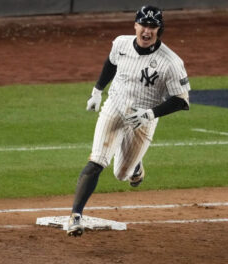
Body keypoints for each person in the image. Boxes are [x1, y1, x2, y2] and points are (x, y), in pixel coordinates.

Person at [67, 5, 191, 237]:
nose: (147, 31)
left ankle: (134, 168)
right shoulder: (121, 43)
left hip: (144, 119)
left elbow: (181, 100)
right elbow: (111, 63)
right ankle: (75, 216)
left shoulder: (171, 62)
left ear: (159, 30)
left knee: (122, 174)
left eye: (152, 27)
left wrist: (150, 114)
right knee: (97, 161)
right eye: (143, 25)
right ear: (135, 25)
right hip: (114, 108)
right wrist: (97, 91)